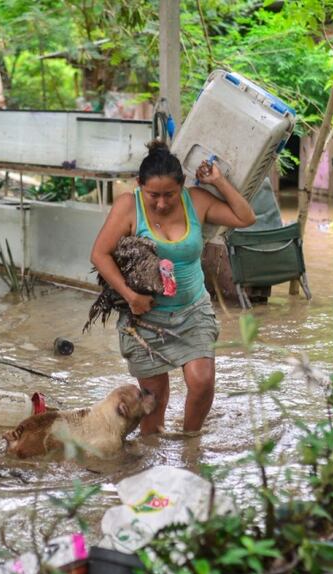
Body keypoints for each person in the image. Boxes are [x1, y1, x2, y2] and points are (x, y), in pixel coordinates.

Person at [91, 141, 256, 434]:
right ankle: (153, 454)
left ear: (182, 185)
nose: (162, 203)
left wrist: (218, 181)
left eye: (170, 194)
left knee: (202, 382)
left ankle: (191, 443)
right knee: (155, 403)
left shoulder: (197, 201)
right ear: (139, 184)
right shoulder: (128, 207)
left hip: (193, 311)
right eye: (153, 195)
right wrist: (131, 297)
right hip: (144, 320)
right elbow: (100, 255)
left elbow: (246, 217)